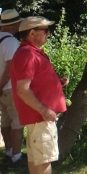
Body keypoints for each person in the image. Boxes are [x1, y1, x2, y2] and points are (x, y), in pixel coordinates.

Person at [11, 16, 69, 174]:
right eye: (45, 30)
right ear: (31, 33)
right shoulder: (28, 54)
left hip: (38, 118)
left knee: (36, 159)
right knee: (43, 161)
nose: (48, 34)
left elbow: (33, 82)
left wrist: (56, 83)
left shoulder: (28, 52)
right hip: (40, 118)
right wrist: (44, 110)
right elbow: (22, 89)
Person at [0, 9, 24, 166]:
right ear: (14, 24)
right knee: (17, 120)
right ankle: (16, 156)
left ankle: (9, 152)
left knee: (5, 119)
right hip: (7, 86)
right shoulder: (11, 42)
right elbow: (10, 68)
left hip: (2, 89)